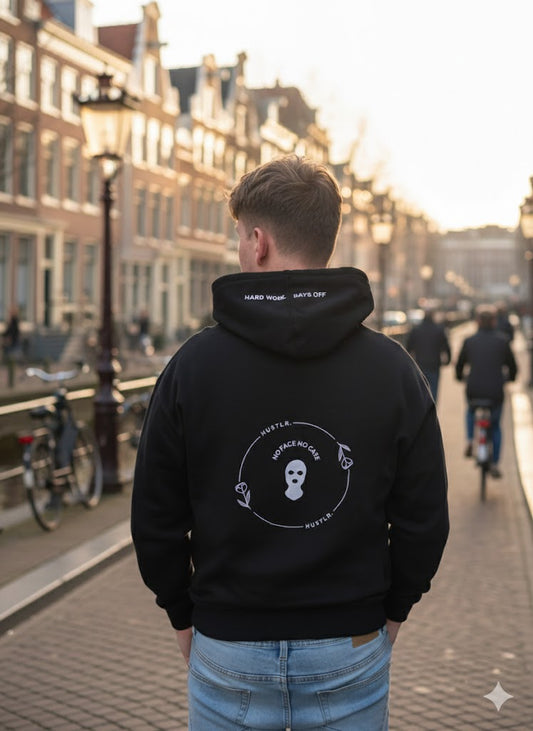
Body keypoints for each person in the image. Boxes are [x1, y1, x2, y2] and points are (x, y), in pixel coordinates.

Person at [131, 156, 449, 730]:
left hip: (228, 640)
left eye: (238, 236)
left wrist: (182, 614)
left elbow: (155, 515)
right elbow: (424, 517)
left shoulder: (192, 366)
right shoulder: (392, 369)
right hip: (349, 640)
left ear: (258, 243)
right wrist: (392, 612)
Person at [455, 304, 517, 478]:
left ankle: (470, 439)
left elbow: (459, 365)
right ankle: (495, 462)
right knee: (495, 426)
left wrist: (460, 377)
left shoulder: (469, 341)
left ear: (477, 321)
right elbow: (513, 367)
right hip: (495, 391)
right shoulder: (503, 341)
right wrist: (511, 378)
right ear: (494, 321)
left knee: (470, 411)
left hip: (474, 389)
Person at [406, 308, 451, 402]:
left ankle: (421, 408)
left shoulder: (415, 330)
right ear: (433, 316)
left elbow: (408, 348)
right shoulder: (439, 330)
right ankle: (432, 408)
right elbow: (446, 347)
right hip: (434, 365)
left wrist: (409, 363)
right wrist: (447, 360)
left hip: (419, 365)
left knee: (420, 390)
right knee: (433, 390)